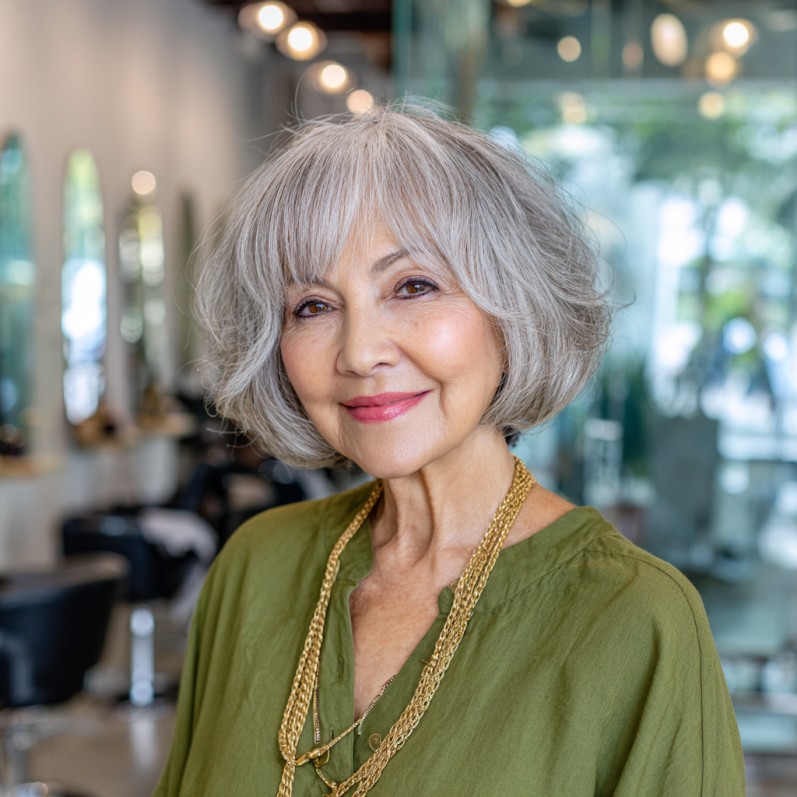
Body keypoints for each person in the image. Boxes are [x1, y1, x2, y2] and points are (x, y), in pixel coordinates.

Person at [154, 104, 745, 796]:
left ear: (512, 308)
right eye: (312, 305)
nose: (359, 351)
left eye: (413, 286)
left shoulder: (632, 616)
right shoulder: (254, 567)